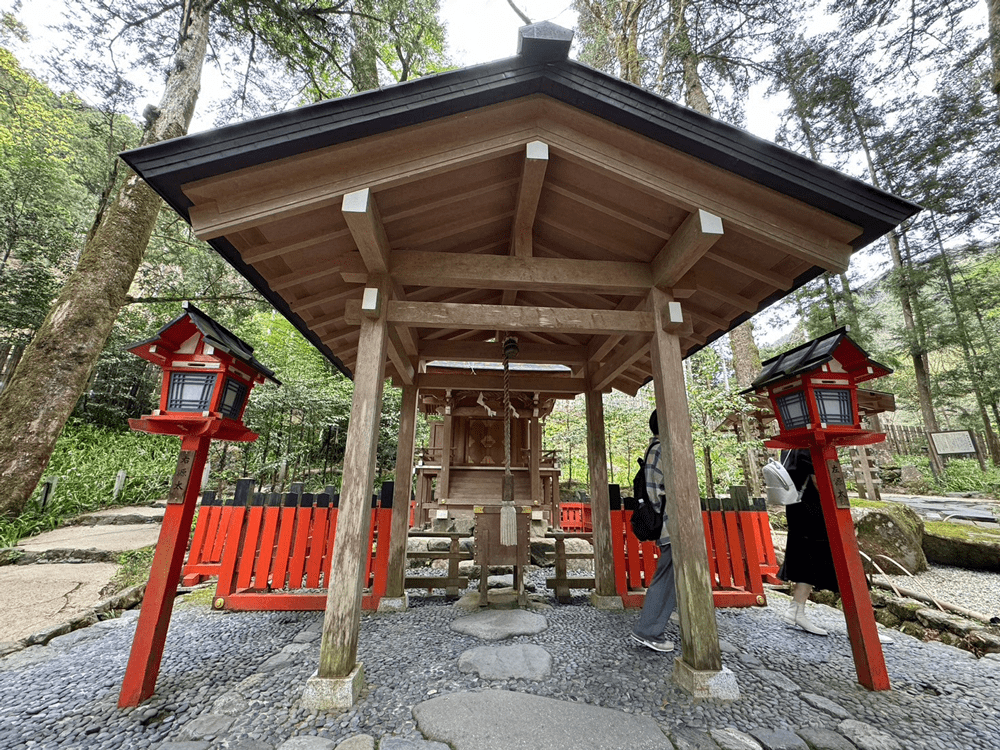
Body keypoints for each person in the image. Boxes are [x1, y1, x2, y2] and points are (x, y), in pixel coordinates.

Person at [631, 410, 677, 653]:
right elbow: (656, 492)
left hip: (671, 523)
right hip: (672, 523)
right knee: (667, 576)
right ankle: (648, 630)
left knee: (671, 575)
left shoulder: (656, 449)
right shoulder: (662, 450)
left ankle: (666, 617)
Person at [778, 448, 835, 636]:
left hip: (795, 507)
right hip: (813, 509)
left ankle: (796, 609)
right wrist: (835, 504)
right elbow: (818, 480)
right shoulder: (808, 447)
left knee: (806, 557)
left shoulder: (789, 448)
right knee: (827, 556)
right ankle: (863, 624)